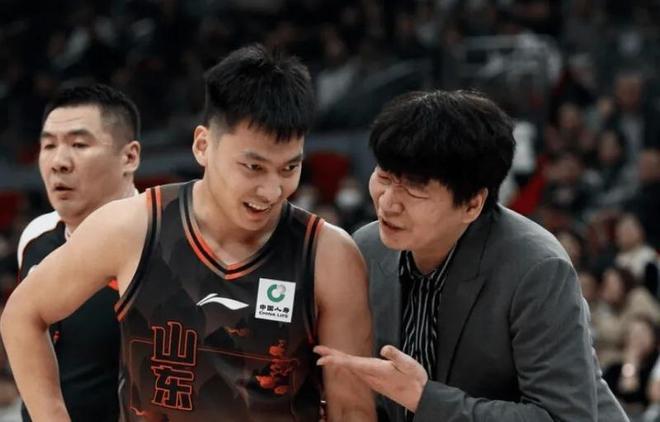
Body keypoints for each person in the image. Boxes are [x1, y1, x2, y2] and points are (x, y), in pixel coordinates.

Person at [2, 45, 375, 422]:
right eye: (253, 167)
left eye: (289, 168)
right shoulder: (132, 226)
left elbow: (352, 410)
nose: (271, 190)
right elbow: (22, 315)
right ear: (202, 146)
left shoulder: (329, 255)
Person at [315, 90, 629, 421]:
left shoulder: (537, 269)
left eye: (415, 189)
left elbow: (562, 417)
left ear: (472, 204)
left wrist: (424, 398)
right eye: (384, 177)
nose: (387, 203)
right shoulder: (365, 247)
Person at [15, 83, 142, 421]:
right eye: (48, 145)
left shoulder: (163, 243)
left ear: (129, 157)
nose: (58, 162)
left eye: (79, 144)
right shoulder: (36, 236)